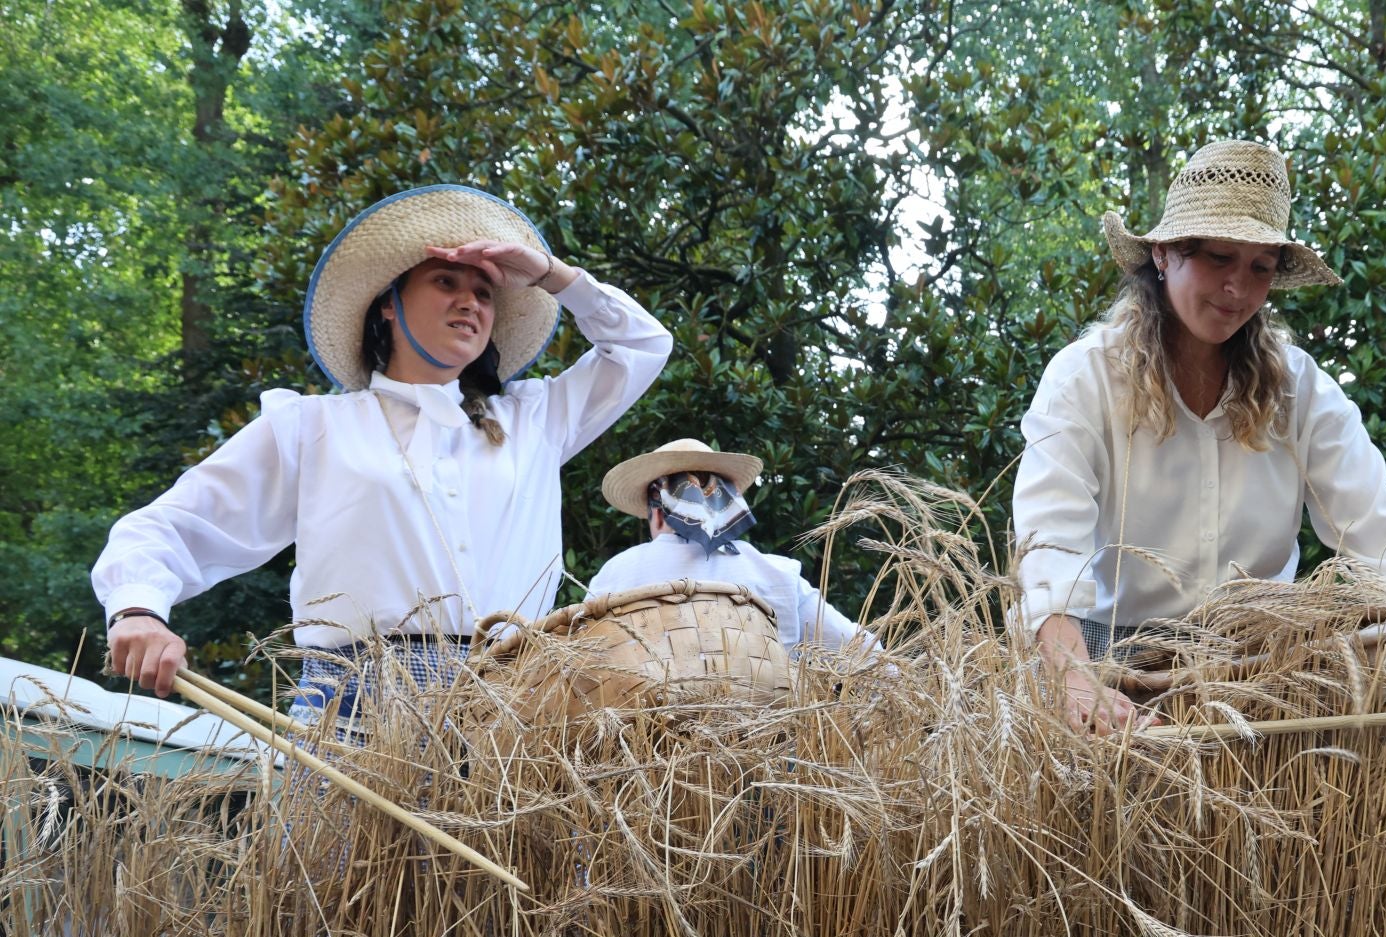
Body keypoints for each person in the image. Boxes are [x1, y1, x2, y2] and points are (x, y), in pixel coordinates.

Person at [93, 184, 673, 724]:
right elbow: (170, 525)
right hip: (354, 711)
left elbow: (643, 345)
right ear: (388, 304)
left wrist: (552, 276)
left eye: (483, 292)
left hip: (515, 711)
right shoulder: (310, 427)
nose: (469, 302)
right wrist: (138, 609)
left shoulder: (534, 419)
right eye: (446, 282)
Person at [1011, 138, 1386, 733]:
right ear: (1166, 253)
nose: (1238, 290)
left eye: (1260, 268)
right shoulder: (1084, 378)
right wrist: (1076, 679)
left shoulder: (1299, 388)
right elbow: (1050, 547)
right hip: (1108, 669)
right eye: (1220, 258)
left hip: (1258, 673)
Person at [587, 439, 881, 659]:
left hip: (638, 738)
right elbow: (866, 654)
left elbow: (581, 665)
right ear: (724, 505)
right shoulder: (777, 575)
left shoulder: (614, 575)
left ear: (659, 512)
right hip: (765, 740)